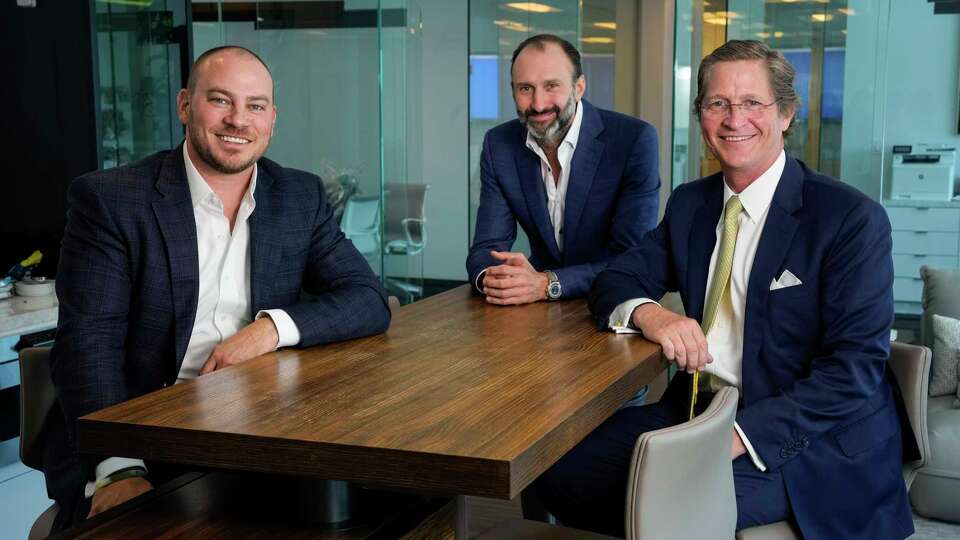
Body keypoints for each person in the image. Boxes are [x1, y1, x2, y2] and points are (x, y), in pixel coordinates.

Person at [536, 40, 914, 539]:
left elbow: (853, 370)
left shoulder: (849, 220)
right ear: (702, 118)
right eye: (718, 104)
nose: (735, 119)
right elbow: (616, 279)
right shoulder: (692, 205)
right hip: (696, 408)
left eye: (753, 103)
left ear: (786, 115)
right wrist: (655, 315)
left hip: (810, 438)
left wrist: (735, 437)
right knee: (555, 471)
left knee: (662, 502)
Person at [46, 46, 391, 531]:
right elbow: (88, 344)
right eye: (220, 100)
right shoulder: (112, 200)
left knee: (387, 506)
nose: (238, 120)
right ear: (186, 105)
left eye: (255, 106)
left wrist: (269, 330)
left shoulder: (297, 195)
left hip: (261, 432)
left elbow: (368, 298)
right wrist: (117, 468)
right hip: (145, 437)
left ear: (272, 119)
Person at [466, 34, 660, 307]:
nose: (538, 103)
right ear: (512, 90)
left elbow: (632, 259)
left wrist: (548, 284)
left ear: (579, 87)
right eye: (525, 89)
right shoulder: (499, 145)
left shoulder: (633, 140)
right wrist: (498, 279)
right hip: (536, 310)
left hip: (614, 302)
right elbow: (487, 248)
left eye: (551, 86)